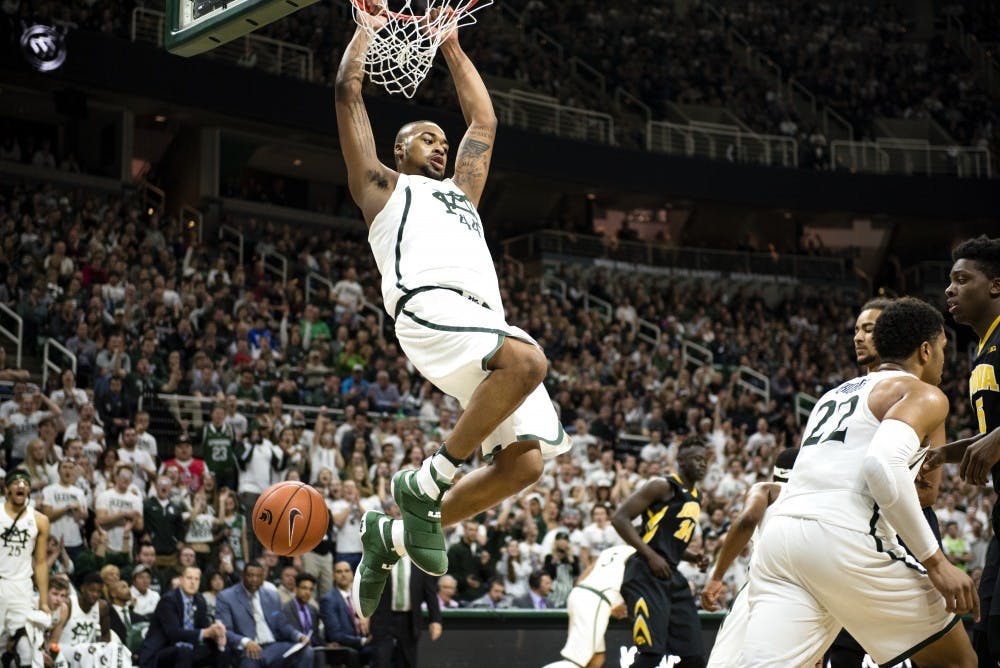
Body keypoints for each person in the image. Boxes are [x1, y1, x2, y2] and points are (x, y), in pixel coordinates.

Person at [335, 1, 571, 618]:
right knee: (529, 362)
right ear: (399, 147)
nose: (441, 145)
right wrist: (366, 31)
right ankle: (429, 479)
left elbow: (484, 121)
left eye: (444, 139)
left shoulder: (461, 194)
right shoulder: (381, 187)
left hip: (480, 322)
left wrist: (449, 43)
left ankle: (388, 535)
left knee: (526, 467)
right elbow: (346, 93)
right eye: (427, 137)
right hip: (429, 310)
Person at [742, 297, 977, 668]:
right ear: (926, 350)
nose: (945, 361)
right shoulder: (922, 392)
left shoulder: (830, 397)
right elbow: (882, 466)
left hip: (781, 542)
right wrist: (936, 563)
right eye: (945, 350)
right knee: (958, 662)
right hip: (844, 536)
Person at [823, 297, 945, 668]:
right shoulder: (845, 393)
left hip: (904, 531)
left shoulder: (920, 396)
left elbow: (927, 491)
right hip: (850, 533)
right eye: (856, 329)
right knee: (843, 648)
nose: (859, 337)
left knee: (933, 650)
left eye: (869, 329)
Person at [920, 235, 1000, 666]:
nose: (949, 290)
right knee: (988, 638)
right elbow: (987, 438)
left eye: (961, 279)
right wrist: (939, 455)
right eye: (949, 281)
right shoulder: (983, 347)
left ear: (996, 286)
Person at [610, 437, 710, 668]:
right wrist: (650, 555)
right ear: (681, 461)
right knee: (651, 654)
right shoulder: (662, 486)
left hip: (669, 573)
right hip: (644, 572)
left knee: (694, 658)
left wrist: (692, 557)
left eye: (705, 461)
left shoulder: (698, 496)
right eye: (697, 459)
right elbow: (620, 519)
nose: (703, 465)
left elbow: (666, 541)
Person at [699, 447, 800, 668]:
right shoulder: (821, 499)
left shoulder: (768, 489)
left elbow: (746, 521)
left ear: (775, 474)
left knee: (724, 662)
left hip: (763, 586)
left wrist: (716, 576)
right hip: (806, 593)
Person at [541, 544, 636, 668]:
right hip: (596, 600)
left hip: (580, 593)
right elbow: (634, 584)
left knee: (597, 658)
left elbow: (589, 569)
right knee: (576, 661)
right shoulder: (638, 554)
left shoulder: (612, 550)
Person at [214, 563, 314, 668]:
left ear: (263, 577)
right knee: (249, 662)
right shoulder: (226, 597)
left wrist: (299, 636)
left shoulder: (272, 595)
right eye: (250, 575)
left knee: (306, 652)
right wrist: (246, 642)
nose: (254, 579)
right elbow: (224, 631)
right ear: (243, 576)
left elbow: (283, 625)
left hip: (274, 646)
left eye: (258, 576)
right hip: (247, 649)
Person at [0, 469, 50, 668]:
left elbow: (40, 562)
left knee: (26, 652)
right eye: (16, 482)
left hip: (21, 587)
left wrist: (44, 601)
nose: (21, 486)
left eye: (25, 483)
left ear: (29, 489)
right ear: (7, 489)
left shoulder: (40, 520)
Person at [139, 565, 228, 668]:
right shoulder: (168, 600)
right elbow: (174, 633)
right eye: (189, 578)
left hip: (189, 649)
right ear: (181, 580)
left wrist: (217, 635)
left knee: (223, 649)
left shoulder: (200, 600)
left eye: (196, 579)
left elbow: (203, 627)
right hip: (162, 650)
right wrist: (206, 632)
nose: (192, 582)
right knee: (184, 652)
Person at [368, 552, 442, 668]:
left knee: (407, 662)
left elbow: (430, 593)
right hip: (383, 618)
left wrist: (436, 620)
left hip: (409, 620)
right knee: (381, 661)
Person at [319, 561, 372, 668]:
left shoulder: (359, 595)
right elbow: (335, 635)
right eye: (339, 571)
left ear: (352, 574)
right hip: (348, 647)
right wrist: (363, 641)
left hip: (366, 642)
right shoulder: (328, 600)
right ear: (333, 575)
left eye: (347, 571)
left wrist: (368, 618)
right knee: (378, 651)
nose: (343, 574)